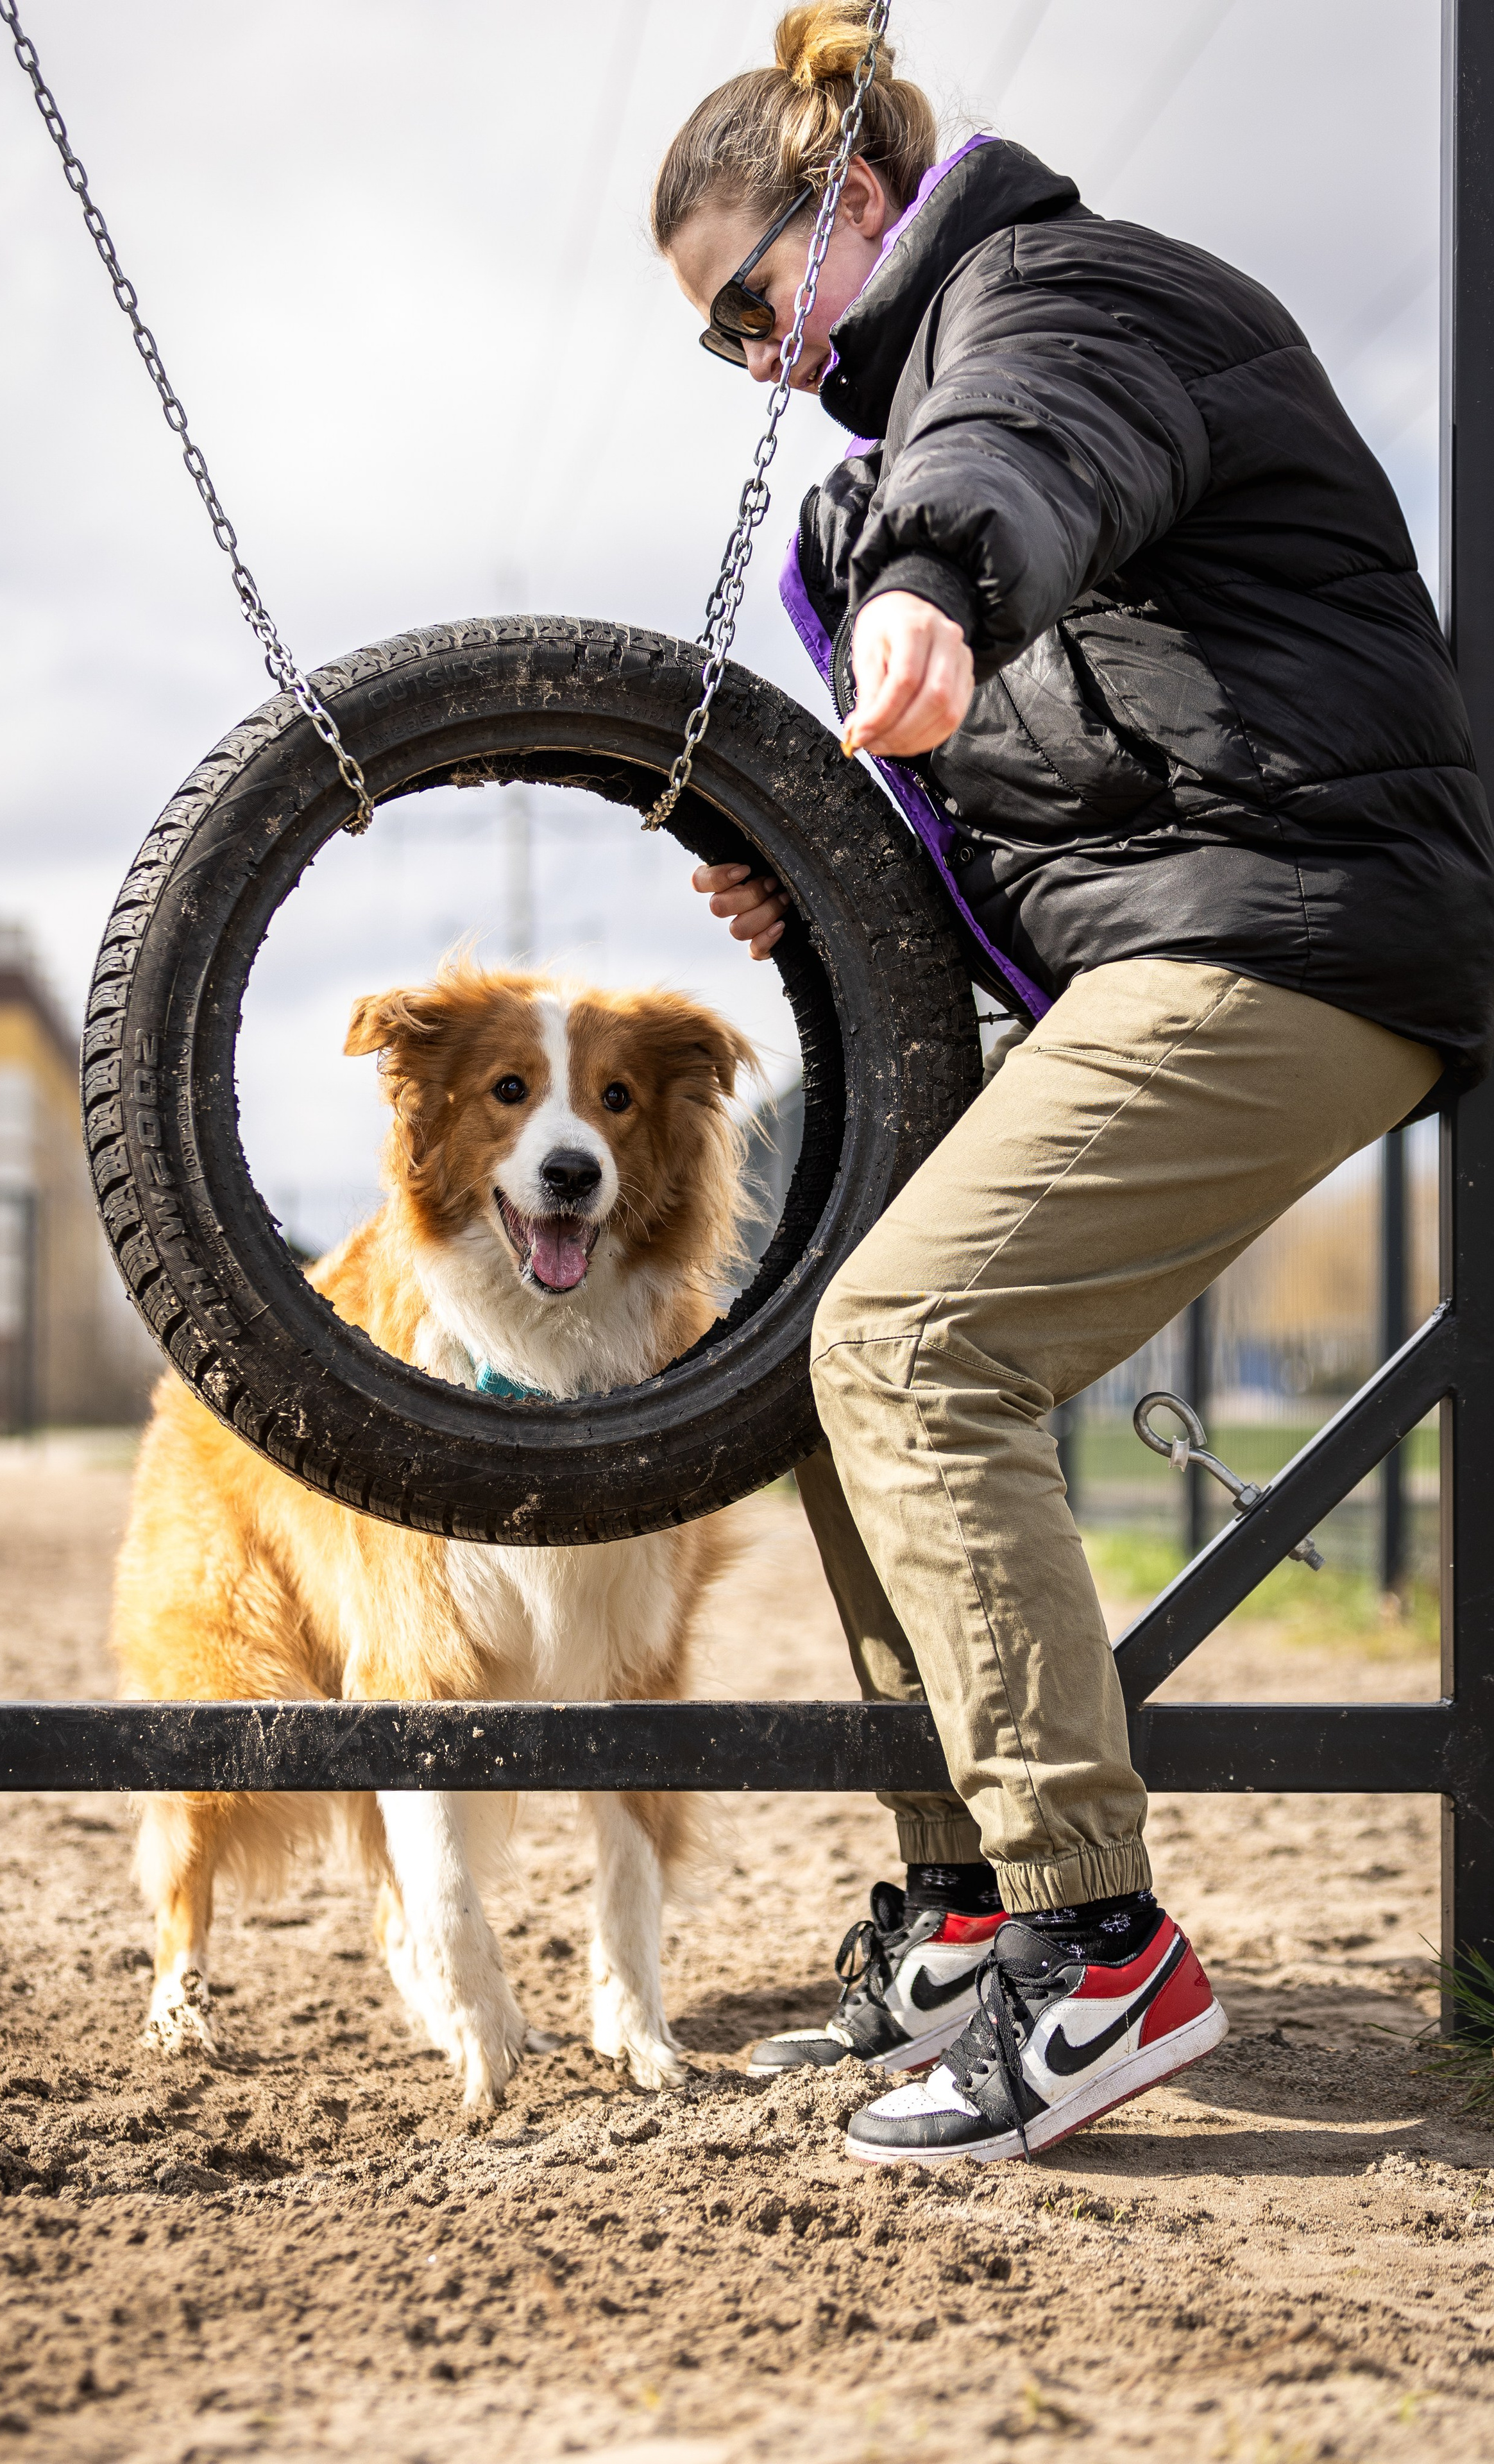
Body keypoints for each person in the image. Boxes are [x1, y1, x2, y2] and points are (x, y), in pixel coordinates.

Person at [653, 3, 1494, 2164]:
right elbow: (1046, 843)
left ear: (856, 200)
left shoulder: (1062, 296)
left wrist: (932, 585)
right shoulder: (891, 450)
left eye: (754, 301)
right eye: (716, 340)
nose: (752, 360)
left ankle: (1095, 1951)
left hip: (1303, 924)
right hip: (1183, 933)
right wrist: (818, 872)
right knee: (829, 1345)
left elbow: (1036, 444)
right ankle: (961, 1910)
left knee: (915, 1344)